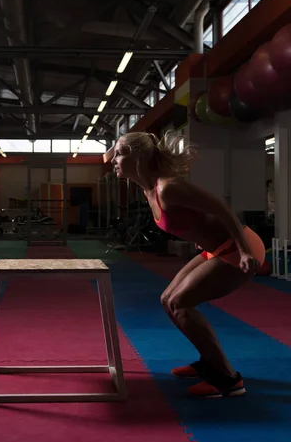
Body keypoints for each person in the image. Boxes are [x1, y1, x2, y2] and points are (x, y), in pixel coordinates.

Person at [111, 130, 265, 398]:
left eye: (120, 153)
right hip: (215, 249)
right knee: (168, 299)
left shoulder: (168, 187)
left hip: (239, 248)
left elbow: (223, 209)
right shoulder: (149, 191)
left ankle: (228, 380)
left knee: (181, 303)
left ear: (139, 158)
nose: (114, 158)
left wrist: (243, 252)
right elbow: (195, 220)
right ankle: (209, 361)